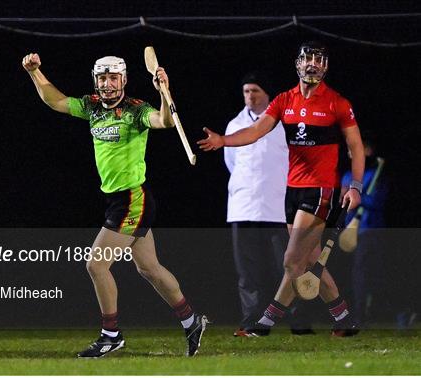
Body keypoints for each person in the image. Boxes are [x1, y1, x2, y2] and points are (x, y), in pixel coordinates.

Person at [22, 53, 207, 357]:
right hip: (117, 200)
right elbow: (56, 101)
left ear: (124, 80)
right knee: (150, 269)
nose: (107, 85)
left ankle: (111, 335)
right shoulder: (93, 107)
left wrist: (164, 92)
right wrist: (35, 72)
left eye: (113, 78)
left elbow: (164, 120)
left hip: (133, 199)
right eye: (102, 79)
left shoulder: (136, 111)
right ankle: (192, 322)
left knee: (96, 264)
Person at [198, 41, 365, 337]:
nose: (312, 65)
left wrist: (355, 186)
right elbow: (255, 131)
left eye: (318, 60)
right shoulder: (284, 100)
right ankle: (344, 318)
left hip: (319, 190)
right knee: (307, 259)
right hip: (292, 190)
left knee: (290, 260)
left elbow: (355, 147)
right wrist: (224, 140)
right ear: (298, 63)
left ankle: (265, 322)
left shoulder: (337, 103)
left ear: (325, 66)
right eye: (308, 59)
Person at [225, 72, 313, 336]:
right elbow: (231, 163)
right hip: (243, 207)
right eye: (246, 91)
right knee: (247, 272)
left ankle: (299, 322)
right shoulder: (234, 124)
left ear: (267, 95)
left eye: (255, 91)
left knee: (289, 266)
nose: (250, 96)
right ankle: (251, 320)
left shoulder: (283, 123)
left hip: (278, 207)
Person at [341, 134, 388, 327]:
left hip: (370, 230)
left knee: (366, 273)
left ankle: (364, 315)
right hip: (350, 232)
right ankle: (355, 313)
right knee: (353, 273)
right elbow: (344, 203)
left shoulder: (376, 174)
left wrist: (357, 196)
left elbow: (377, 202)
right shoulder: (347, 176)